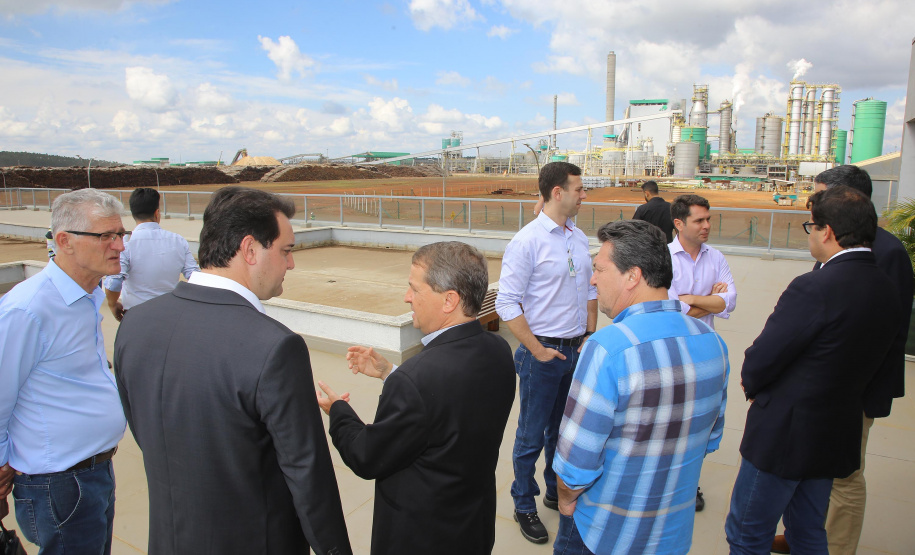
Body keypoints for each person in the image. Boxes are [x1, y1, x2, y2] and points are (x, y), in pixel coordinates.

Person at [113, 186, 351, 555]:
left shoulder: (136, 324)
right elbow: (307, 474)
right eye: (286, 251)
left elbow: (147, 431)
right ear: (250, 249)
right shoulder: (274, 347)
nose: (291, 264)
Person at [726, 186, 898, 555]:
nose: (812, 234)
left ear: (829, 232)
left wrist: (752, 383)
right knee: (808, 531)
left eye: (812, 226)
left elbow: (763, 357)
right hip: (835, 431)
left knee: (746, 534)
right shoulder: (885, 287)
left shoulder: (815, 286)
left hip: (785, 435)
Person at [317, 241, 516, 555]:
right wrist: (390, 371)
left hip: (421, 537)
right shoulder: (499, 350)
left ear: (449, 299)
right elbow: (448, 407)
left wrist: (339, 411)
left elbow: (367, 456)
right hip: (472, 528)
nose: (406, 296)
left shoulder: (418, 378)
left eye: (414, 288)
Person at [552, 219, 729, 554]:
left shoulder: (607, 349)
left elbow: (575, 464)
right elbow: (711, 438)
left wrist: (564, 500)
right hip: (671, 536)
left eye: (600, 270)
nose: (592, 279)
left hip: (604, 535)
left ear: (632, 276)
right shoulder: (712, 342)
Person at [772, 165, 914, 555]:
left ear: (846, 199)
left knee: (844, 476)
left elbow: (886, 334)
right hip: (824, 388)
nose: (810, 203)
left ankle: (836, 546)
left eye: (818, 194)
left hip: (851, 391)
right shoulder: (839, 245)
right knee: (813, 467)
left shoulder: (886, 254)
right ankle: (805, 535)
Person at [0, 188, 128, 554]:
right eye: (106, 236)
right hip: (59, 485)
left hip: (92, 474)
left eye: (121, 235)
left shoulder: (85, 296)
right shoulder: (28, 310)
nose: (119, 246)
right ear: (64, 241)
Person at [496, 161, 598, 544]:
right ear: (558, 192)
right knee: (531, 436)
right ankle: (524, 503)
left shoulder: (577, 236)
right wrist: (537, 351)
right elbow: (507, 304)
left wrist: (589, 334)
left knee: (563, 433)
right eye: (579, 189)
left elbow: (589, 289)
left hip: (574, 351)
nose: (583, 195)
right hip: (542, 354)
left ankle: (556, 491)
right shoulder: (527, 241)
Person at [668, 193, 736, 510]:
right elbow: (671, 312)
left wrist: (692, 298)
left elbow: (728, 302)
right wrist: (708, 297)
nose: (707, 225)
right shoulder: (664, 259)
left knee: (698, 425)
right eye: (699, 220)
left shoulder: (716, 258)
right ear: (679, 224)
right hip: (673, 354)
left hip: (705, 353)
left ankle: (689, 484)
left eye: (708, 218)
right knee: (670, 422)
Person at [103, 187, 198, 321]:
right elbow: (195, 276)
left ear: (133, 213)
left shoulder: (126, 242)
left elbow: (114, 282)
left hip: (136, 315)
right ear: (157, 213)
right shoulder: (178, 240)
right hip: (170, 315)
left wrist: (112, 304)